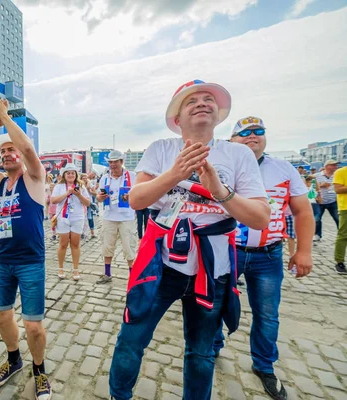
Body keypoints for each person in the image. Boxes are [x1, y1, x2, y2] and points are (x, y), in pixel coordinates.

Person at [109, 81, 271, 400]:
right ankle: (119, 394)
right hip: (161, 264)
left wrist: (219, 191)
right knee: (131, 337)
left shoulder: (237, 154)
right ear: (177, 118)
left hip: (213, 270)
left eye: (208, 99)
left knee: (201, 352)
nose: (202, 103)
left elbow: (260, 217)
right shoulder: (161, 149)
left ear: (218, 114)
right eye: (192, 101)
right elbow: (137, 199)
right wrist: (175, 173)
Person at [213, 116, 313, 400]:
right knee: (215, 304)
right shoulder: (222, 167)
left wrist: (303, 250)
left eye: (258, 132)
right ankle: (210, 347)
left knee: (267, 314)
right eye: (244, 133)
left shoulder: (284, 169)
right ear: (232, 140)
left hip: (268, 254)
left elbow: (303, 211)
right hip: (227, 250)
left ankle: (264, 365)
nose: (252, 136)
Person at [0, 98, 51, 400]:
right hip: (2, 261)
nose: (6, 154)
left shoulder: (34, 178)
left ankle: (40, 371)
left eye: (9, 149)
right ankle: (14, 359)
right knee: (3, 317)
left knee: (33, 326)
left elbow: (29, 150)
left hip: (31, 261)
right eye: (2, 151)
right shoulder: (0, 183)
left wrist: (4, 116)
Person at [95, 150, 137, 284]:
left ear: (121, 162)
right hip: (109, 216)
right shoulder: (104, 178)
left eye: (115, 162)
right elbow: (98, 197)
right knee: (107, 245)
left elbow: (140, 192)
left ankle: (132, 277)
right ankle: (107, 274)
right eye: (111, 162)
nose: (113, 165)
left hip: (127, 217)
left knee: (128, 246)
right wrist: (99, 197)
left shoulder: (132, 176)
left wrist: (131, 196)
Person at [51, 164, 91, 280]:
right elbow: (53, 200)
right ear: (64, 174)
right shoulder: (59, 186)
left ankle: (76, 270)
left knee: (75, 244)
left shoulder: (81, 186)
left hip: (77, 218)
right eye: (68, 173)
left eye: (72, 173)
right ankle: (61, 268)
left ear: (76, 175)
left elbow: (88, 203)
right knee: (63, 244)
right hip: (63, 218)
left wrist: (78, 195)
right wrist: (66, 194)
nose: (70, 175)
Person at [314, 160, 340, 241]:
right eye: (334, 165)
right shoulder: (316, 176)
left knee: (338, 218)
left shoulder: (337, 175)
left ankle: (342, 234)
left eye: (336, 165)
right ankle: (317, 234)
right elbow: (310, 186)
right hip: (320, 201)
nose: (336, 167)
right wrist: (320, 185)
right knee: (317, 219)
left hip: (333, 201)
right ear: (327, 166)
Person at [333, 165, 347, 274]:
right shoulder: (341, 171)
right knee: (343, 235)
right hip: (345, 208)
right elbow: (338, 189)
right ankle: (339, 261)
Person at [80, 173, 97, 239]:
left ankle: (92, 233)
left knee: (90, 218)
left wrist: (89, 191)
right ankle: (82, 233)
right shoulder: (80, 185)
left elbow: (95, 193)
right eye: (83, 178)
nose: (85, 179)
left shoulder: (90, 184)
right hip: (81, 204)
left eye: (86, 178)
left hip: (89, 203)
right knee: (82, 218)